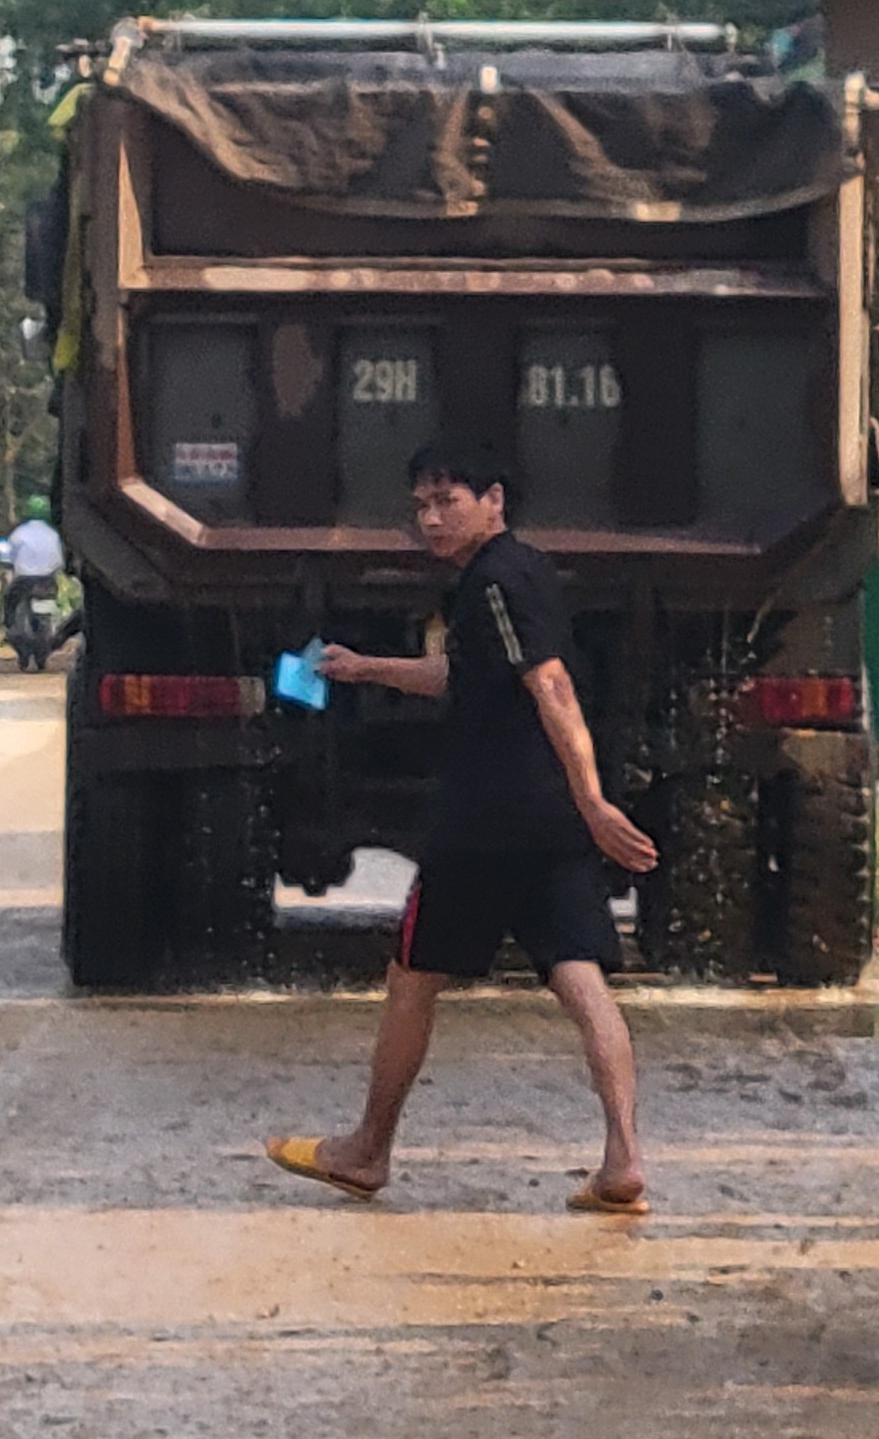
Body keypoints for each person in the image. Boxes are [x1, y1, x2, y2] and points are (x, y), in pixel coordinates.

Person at [264, 438, 662, 1212]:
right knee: (580, 976)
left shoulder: (494, 582)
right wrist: (364, 666)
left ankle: (367, 1151)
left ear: (495, 500)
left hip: (485, 824)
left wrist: (594, 801)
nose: (432, 518)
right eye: (421, 505)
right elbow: (470, 675)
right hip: (546, 823)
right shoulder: (520, 573)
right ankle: (624, 1162)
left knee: (413, 979)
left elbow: (551, 687)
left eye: (449, 501)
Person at [0, 495, 68, 642]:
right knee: (54, 602)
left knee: (9, 600)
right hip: (47, 580)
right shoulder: (53, 534)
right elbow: (60, 560)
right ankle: (54, 629)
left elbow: (8, 555)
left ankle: (9, 630)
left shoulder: (19, 533)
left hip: (23, 580)